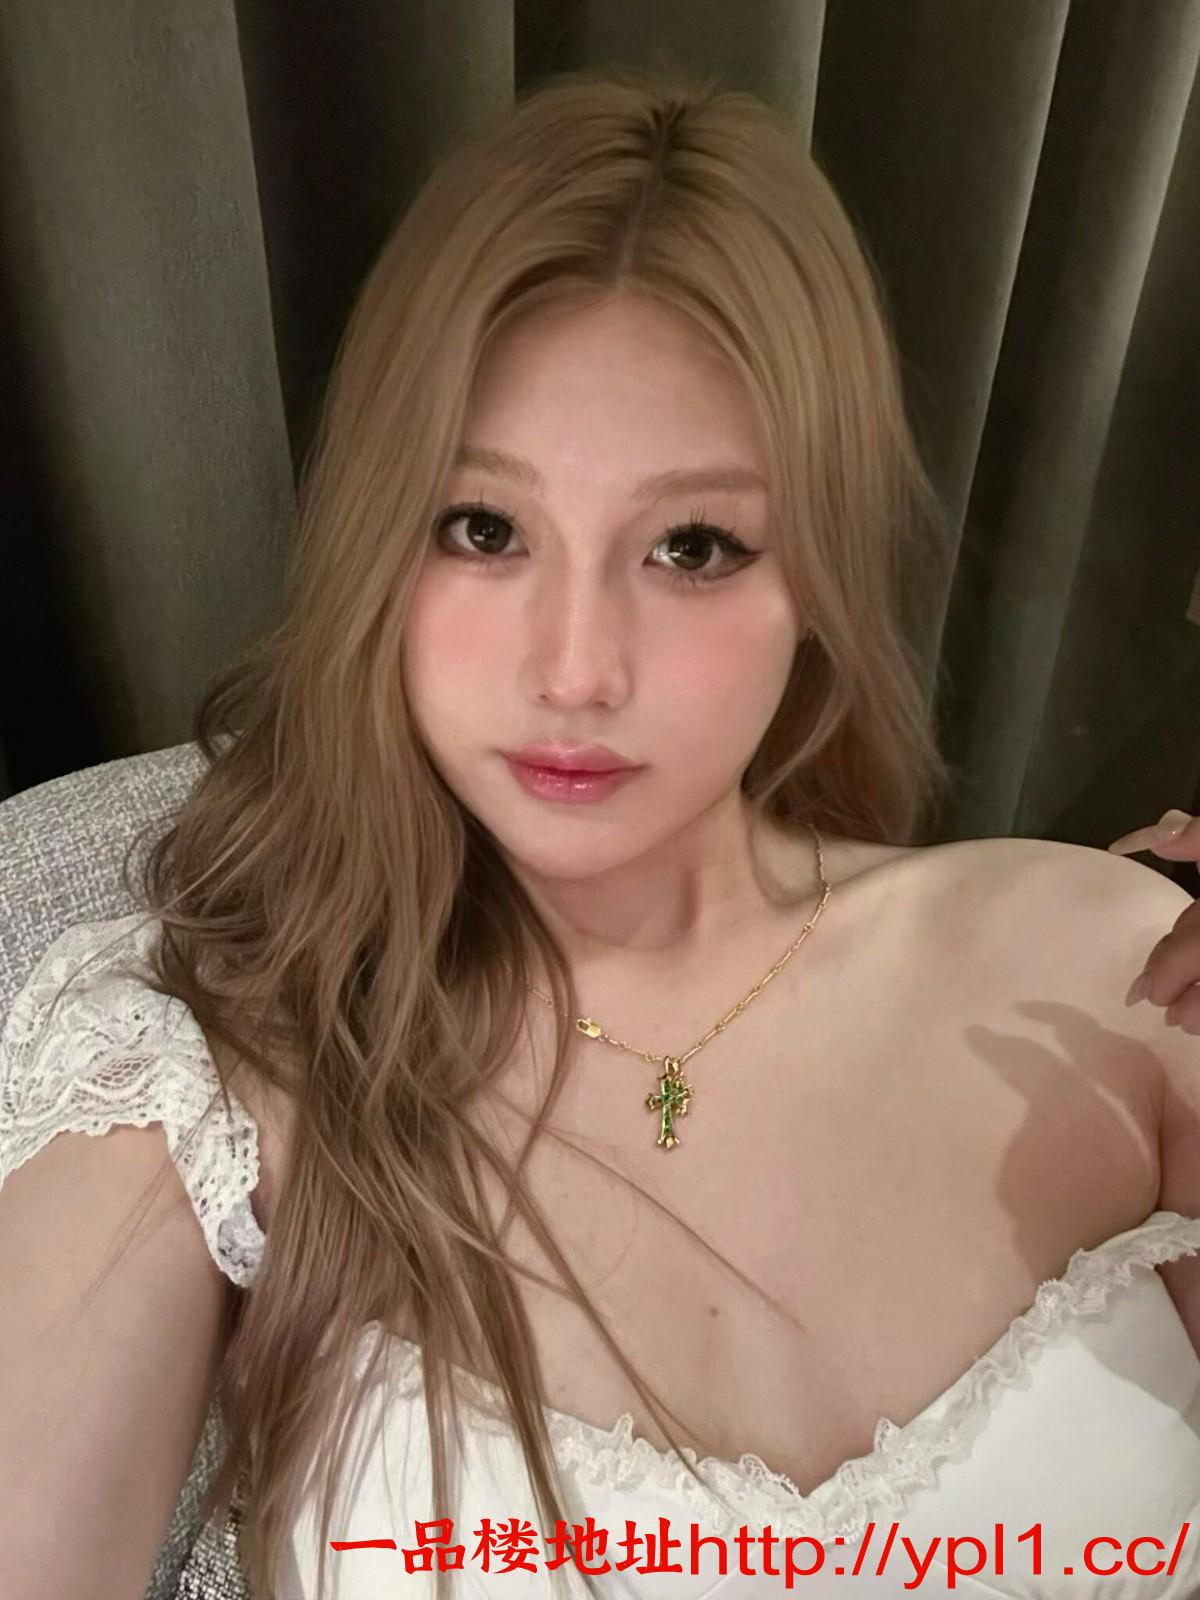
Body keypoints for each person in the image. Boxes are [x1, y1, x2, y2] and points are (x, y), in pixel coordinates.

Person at [1, 63, 1198, 1600]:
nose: (575, 669)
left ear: (820, 572)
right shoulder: (206, 1071)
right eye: (483, 529)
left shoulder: (1107, 975)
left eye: (691, 546)